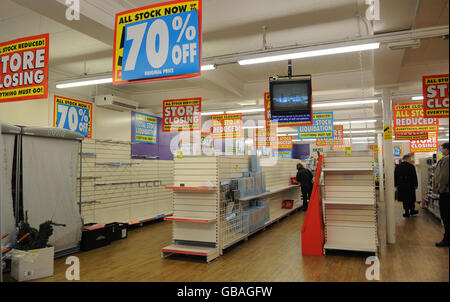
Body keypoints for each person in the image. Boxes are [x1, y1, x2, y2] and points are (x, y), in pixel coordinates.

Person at [433, 142, 449, 247]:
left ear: (447, 149)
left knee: (446, 216)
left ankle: (447, 240)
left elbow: (444, 177)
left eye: (442, 149)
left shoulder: (447, 160)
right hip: (446, 192)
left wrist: (440, 190)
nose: (441, 150)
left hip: (446, 193)